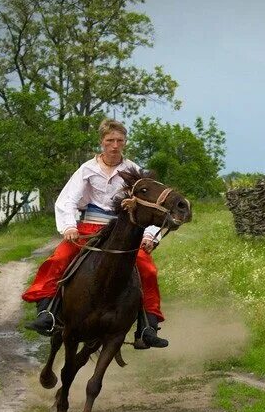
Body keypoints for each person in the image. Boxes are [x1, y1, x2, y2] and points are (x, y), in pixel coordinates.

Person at [22, 118, 168, 349]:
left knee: (147, 269)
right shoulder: (87, 170)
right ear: (102, 142)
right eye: (110, 140)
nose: (115, 145)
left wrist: (150, 236)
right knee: (59, 258)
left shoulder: (134, 171)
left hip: (122, 232)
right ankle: (47, 313)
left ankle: (147, 327)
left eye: (120, 140)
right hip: (88, 229)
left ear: (125, 142)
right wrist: (69, 226)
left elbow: (150, 208)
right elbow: (68, 200)